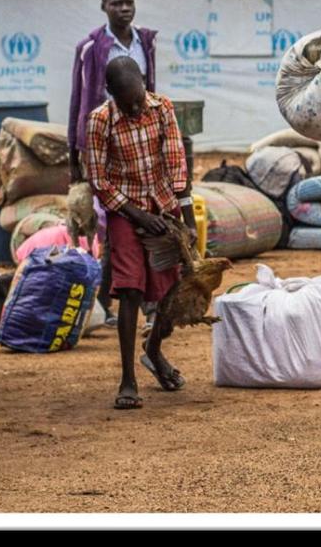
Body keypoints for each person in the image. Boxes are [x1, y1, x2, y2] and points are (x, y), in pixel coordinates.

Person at [85, 57, 197, 410]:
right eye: (125, 102)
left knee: (170, 288)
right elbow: (99, 182)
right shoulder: (99, 121)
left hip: (163, 206)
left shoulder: (162, 107)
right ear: (109, 93)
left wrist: (187, 218)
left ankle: (154, 351)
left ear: (144, 84)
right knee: (130, 286)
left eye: (137, 99)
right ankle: (127, 379)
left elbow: (177, 162)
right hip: (124, 210)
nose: (134, 108)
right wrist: (136, 215)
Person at [68, 0, 159, 328]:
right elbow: (79, 99)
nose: (124, 8)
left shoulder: (145, 43)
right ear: (103, 6)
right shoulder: (91, 47)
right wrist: (75, 157)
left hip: (141, 145)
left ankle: (129, 305)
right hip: (103, 145)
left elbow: (151, 93)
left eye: (129, 2)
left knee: (145, 216)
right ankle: (113, 303)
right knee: (111, 222)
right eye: (116, 3)